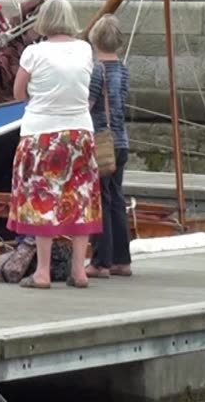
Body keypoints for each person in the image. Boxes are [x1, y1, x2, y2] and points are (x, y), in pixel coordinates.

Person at [11, 0, 102, 290]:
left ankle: (43, 271)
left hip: (42, 132)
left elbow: (18, 93)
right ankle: (79, 270)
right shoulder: (85, 49)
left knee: (42, 197)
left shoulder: (33, 53)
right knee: (80, 197)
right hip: (79, 132)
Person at [86, 14, 132, 279]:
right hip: (121, 140)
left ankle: (100, 261)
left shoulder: (95, 70)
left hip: (101, 142)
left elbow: (88, 105)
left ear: (95, 39)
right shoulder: (123, 69)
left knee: (101, 200)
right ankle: (121, 260)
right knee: (116, 200)